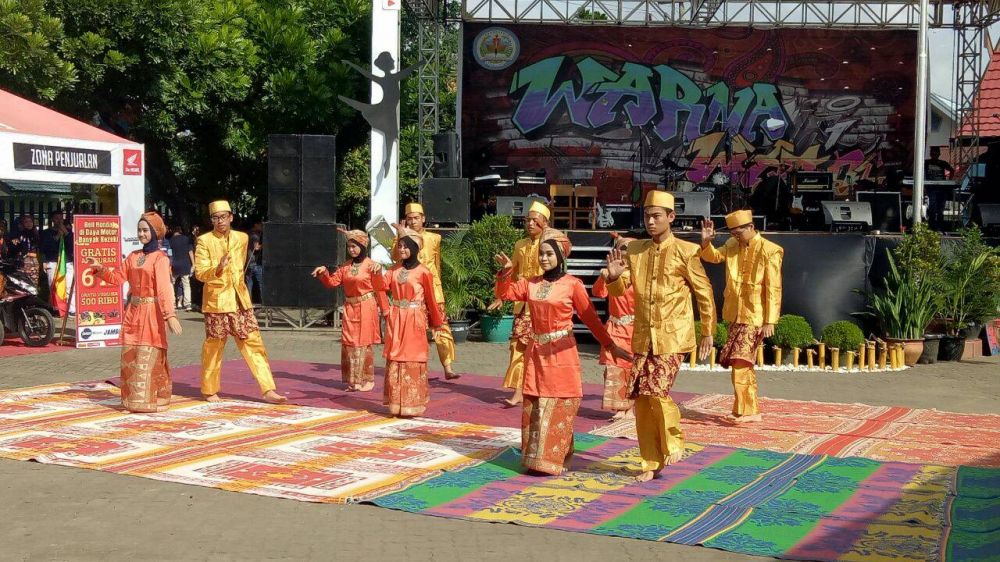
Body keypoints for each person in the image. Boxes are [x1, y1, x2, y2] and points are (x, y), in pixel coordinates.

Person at [495, 228, 631, 475]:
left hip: (562, 352)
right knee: (535, 402)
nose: (543, 259)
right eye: (541, 254)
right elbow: (504, 293)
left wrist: (611, 345)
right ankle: (535, 455)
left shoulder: (573, 285)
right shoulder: (530, 284)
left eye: (549, 254)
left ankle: (554, 458)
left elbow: (590, 319)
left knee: (558, 402)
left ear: (561, 254)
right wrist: (506, 272)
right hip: (536, 351)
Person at [605, 190, 716, 482]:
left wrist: (708, 331)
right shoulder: (636, 250)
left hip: (673, 335)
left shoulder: (686, 251)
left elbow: (704, 292)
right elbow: (621, 289)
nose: (651, 222)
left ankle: (673, 441)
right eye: (647, 216)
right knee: (641, 399)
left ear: (671, 217)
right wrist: (615, 277)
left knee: (657, 392)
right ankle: (651, 461)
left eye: (657, 216)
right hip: (643, 336)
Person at [86, 212, 182, 413]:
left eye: (145, 230)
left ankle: (150, 400)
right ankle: (131, 400)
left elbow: (164, 288)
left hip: (152, 313)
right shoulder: (133, 256)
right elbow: (118, 278)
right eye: (139, 230)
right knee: (131, 356)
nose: (141, 234)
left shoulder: (160, 259)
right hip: (133, 312)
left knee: (148, 354)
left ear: (155, 232)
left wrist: (170, 315)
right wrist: (101, 269)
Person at [194, 200, 286, 404]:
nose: (220, 221)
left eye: (224, 216)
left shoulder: (242, 238)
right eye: (215, 217)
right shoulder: (204, 241)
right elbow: (200, 273)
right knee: (214, 347)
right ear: (211, 220)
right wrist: (217, 268)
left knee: (254, 343)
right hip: (217, 302)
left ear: (231, 217)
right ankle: (209, 389)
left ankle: (268, 389)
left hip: (240, 300)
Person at [700, 211, 783, 424]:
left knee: (740, 361)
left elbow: (774, 288)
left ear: (751, 227)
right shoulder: (731, 244)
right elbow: (713, 257)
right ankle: (745, 409)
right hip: (734, 312)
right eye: (733, 233)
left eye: (739, 232)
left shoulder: (770, 250)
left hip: (755, 316)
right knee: (742, 363)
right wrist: (706, 242)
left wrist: (770, 320)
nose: (736, 236)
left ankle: (748, 411)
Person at [372, 226, 446, 417]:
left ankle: (413, 404)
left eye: (406, 246)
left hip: (415, 319)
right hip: (397, 318)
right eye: (400, 246)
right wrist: (376, 275)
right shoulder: (394, 269)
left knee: (412, 357)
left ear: (415, 248)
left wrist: (437, 324)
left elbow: (430, 299)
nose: (402, 249)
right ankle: (396, 403)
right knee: (396, 357)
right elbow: (380, 287)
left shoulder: (424, 272)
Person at [312, 228, 388, 392]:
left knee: (362, 343)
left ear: (362, 245)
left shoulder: (372, 266)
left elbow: (380, 289)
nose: (351, 250)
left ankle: (366, 379)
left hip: (366, 307)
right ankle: (353, 380)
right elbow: (332, 282)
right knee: (349, 343)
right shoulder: (346, 267)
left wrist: (386, 311)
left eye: (354, 246)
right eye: (349, 247)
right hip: (350, 308)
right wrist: (323, 272)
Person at [489, 201, 549, 407]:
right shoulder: (520, 245)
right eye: (528, 220)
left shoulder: (551, 243)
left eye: (535, 220)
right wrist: (500, 296)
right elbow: (512, 273)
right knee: (518, 347)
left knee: (541, 349)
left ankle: (541, 388)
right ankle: (518, 391)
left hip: (543, 304)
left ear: (545, 223)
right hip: (522, 304)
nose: (530, 224)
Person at [401, 202, 458, 379]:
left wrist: (438, 286)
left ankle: (448, 367)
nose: (412, 222)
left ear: (423, 219)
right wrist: (401, 236)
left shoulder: (434, 238)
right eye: (409, 219)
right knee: (415, 329)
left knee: (441, 327)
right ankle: (418, 366)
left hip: (433, 289)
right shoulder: (402, 239)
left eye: (416, 218)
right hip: (413, 291)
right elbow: (396, 258)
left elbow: (437, 263)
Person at [591, 232, 637, 421]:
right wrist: (604, 277)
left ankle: (631, 408)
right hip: (614, 327)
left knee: (632, 369)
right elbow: (598, 293)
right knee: (613, 367)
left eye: (628, 249)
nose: (624, 252)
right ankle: (620, 407)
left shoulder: (639, 275)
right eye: (621, 248)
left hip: (634, 328)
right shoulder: (610, 273)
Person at [40, 210, 75, 315]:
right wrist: (58, 236)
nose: (59, 220)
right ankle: (57, 309)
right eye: (56, 218)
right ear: (52, 220)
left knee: (69, 285)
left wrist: (67, 233)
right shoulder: (46, 233)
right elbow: (45, 248)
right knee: (54, 285)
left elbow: (73, 247)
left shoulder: (69, 232)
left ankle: (71, 309)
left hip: (67, 262)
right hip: (53, 262)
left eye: (61, 218)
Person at [7, 215, 41, 286]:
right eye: (26, 222)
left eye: (30, 221)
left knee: (33, 284)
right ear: (22, 224)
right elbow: (13, 250)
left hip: (34, 263)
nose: (29, 224)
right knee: (23, 285)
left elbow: (40, 248)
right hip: (22, 262)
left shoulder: (37, 234)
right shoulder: (17, 235)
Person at [169, 226, 195, 310]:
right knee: (186, 284)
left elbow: (170, 254)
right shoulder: (186, 239)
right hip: (185, 264)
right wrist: (193, 264)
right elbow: (190, 252)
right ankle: (188, 304)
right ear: (180, 231)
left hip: (174, 265)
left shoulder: (170, 241)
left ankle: (172, 303)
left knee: (171, 284)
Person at [246, 221, 264, 303]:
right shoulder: (255, 235)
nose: (262, 226)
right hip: (254, 262)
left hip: (247, 262)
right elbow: (256, 248)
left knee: (249, 285)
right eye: (260, 225)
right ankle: (264, 303)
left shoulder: (247, 234)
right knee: (261, 284)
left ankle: (248, 304)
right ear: (255, 224)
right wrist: (266, 244)